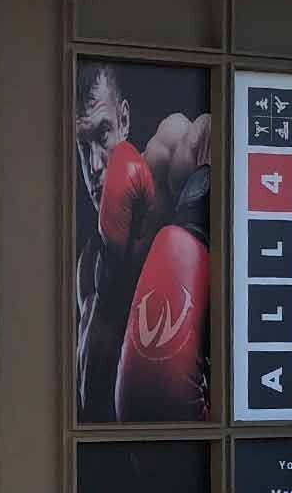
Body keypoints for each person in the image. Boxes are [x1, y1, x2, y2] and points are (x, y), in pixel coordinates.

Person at [73, 61, 212, 426]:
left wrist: (201, 196)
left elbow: (207, 136)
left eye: (103, 134)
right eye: (82, 146)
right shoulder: (90, 267)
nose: (94, 165)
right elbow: (90, 403)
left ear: (124, 119)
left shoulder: (164, 162)